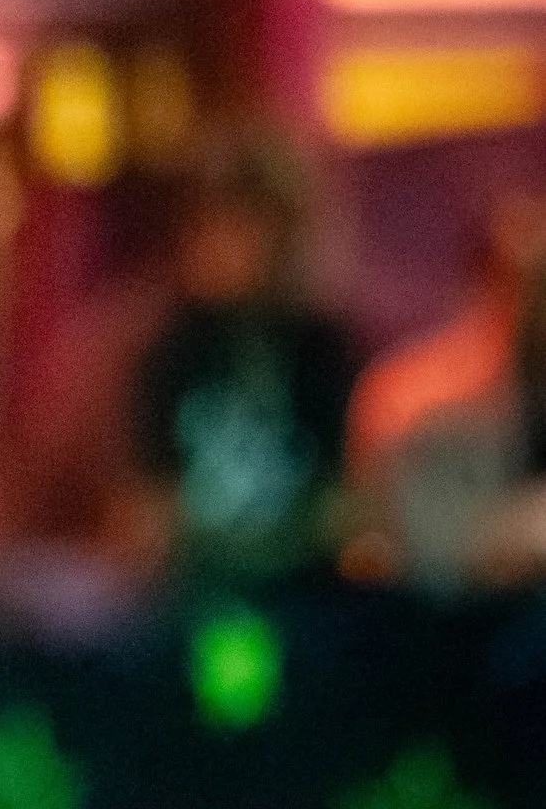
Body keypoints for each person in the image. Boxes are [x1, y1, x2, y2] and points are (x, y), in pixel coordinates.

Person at [125, 128, 358, 583]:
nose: (217, 244)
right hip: (189, 596)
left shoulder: (322, 350)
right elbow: (141, 503)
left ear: (282, 234)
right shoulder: (163, 349)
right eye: (203, 224)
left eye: (238, 224)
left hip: (304, 600)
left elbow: (347, 501)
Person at [348, 187, 546, 591]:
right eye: (521, 283)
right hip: (435, 609)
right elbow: (380, 531)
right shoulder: (407, 390)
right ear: (482, 284)